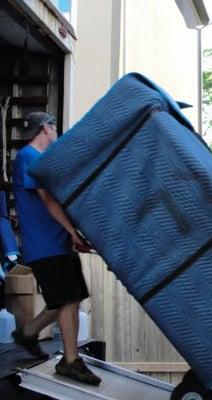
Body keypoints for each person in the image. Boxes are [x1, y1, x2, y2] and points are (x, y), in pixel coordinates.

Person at [12, 112, 101, 386]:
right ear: (46, 128)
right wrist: (74, 233)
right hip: (45, 244)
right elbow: (49, 201)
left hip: (56, 243)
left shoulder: (38, 160)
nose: (56, 132)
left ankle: (28, 332)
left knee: (69, 296)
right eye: (54, 127)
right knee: (67, 299)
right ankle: (70, 362)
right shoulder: (28, 157)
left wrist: (75, 234)